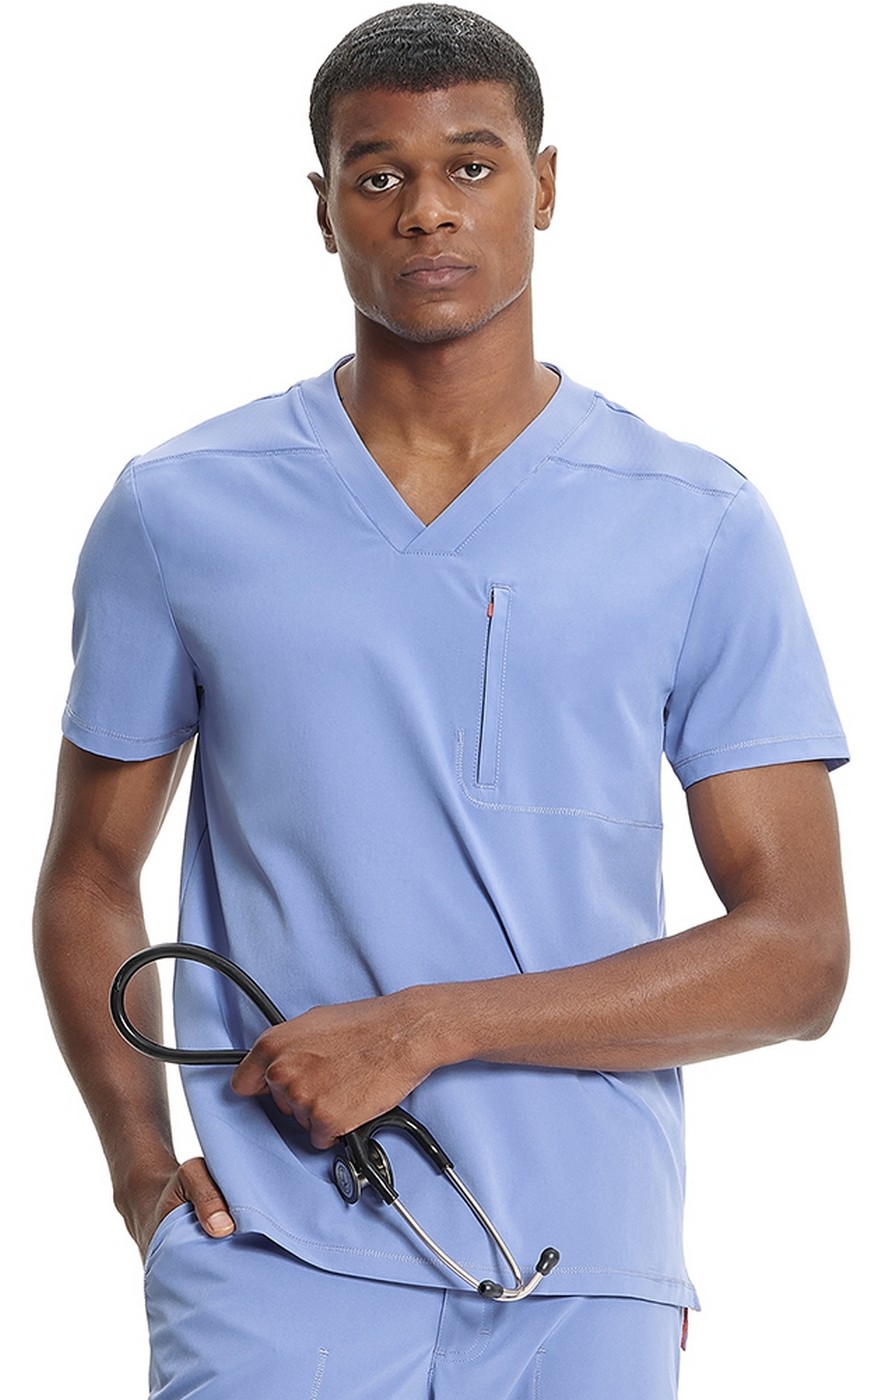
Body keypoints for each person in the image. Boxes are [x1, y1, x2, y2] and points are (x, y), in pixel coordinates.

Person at [33, 5, 850, 1397]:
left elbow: (798, 956)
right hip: (273, 1255)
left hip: (579, 1264)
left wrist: (430, 1025)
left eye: (472, 164)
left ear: (546, 184)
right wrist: (137, 1177)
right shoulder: (182, 508)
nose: (426, 210)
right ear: (323, 208)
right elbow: (90, 874)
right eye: (378, 174)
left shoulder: (695, 521)